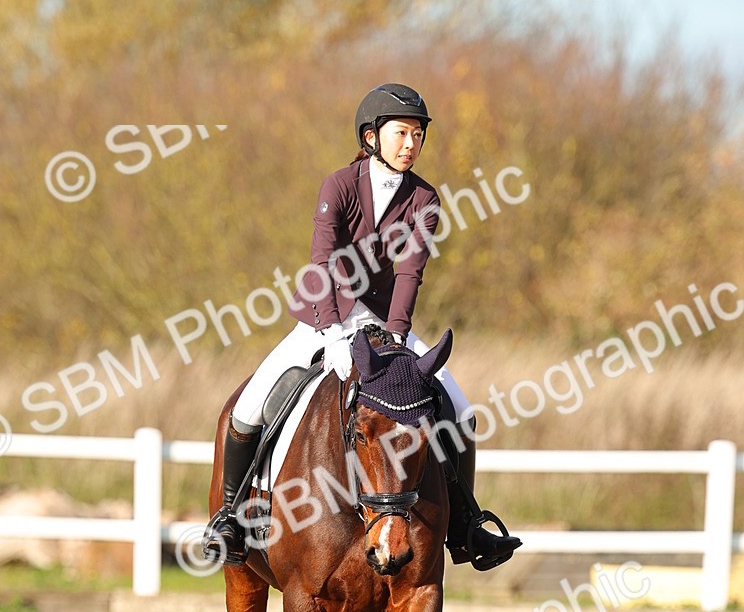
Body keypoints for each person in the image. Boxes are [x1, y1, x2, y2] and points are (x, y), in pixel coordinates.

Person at [203, 82, 520, 569]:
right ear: (371, 136)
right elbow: (322, 260)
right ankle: (230, 519)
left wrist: (395, 334)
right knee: (246, 410)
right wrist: (331, 332)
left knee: (462, 411)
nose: (411, 143)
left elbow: (411, 271)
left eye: (418, 135)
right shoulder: (340, 185)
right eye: (401, 133)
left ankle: (466, 527)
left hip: (382, 322)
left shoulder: (424, 198)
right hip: (320, 319)